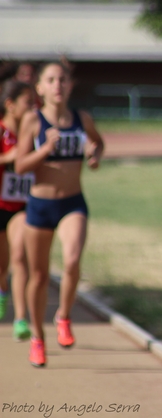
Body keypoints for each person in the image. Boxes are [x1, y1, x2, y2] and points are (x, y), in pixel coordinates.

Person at [15, 60, 104, 368]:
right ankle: (38, 338)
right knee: (38, 276)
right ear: (39, 87)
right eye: (51, 80)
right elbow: (20, 165)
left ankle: (63, 316)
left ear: (70, 85)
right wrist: (44, 149)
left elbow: (99, 142)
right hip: (40, 206)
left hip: (72, 203)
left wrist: (94, 155)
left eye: (63, 79)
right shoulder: (33, 121)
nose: (58, 85)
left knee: (72, 260)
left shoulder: (81, 118)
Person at [0, 80, 36, 341]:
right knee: (2, 266)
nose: (33, 107)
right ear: (10, 106)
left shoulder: (33, 132)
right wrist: (8, 158)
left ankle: (21, 318)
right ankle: (2, 292)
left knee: (19, 255)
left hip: (21, 207)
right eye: (28, 103)